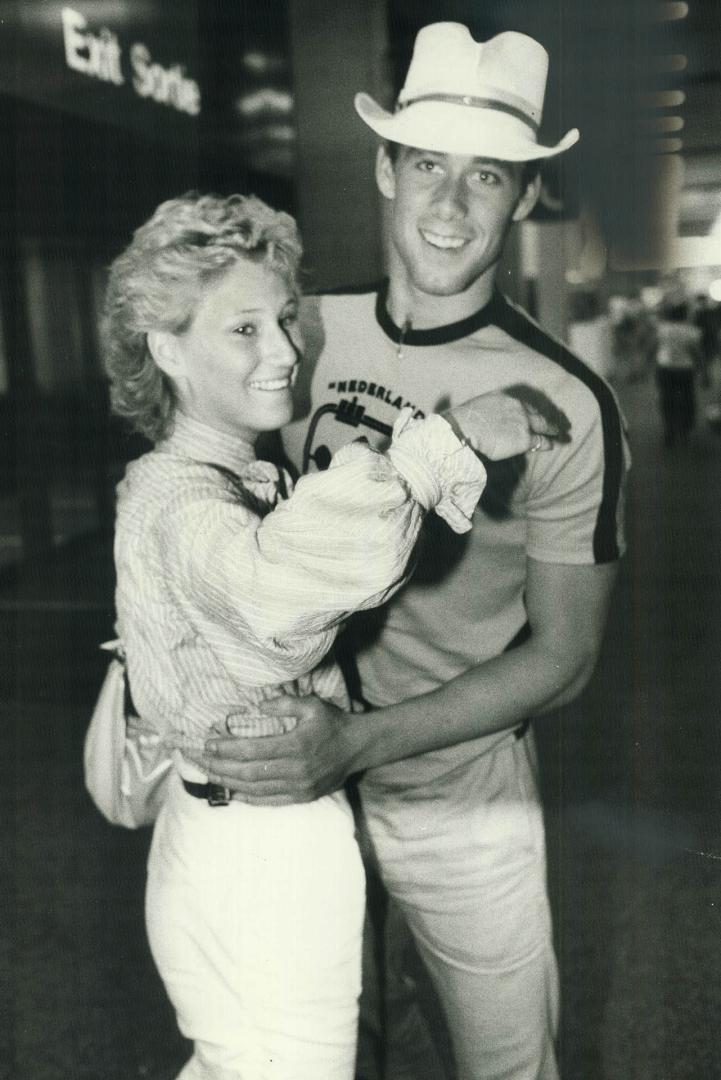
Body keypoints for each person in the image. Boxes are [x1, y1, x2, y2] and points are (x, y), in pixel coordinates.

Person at [200, 23, 631, 1080]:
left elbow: (563, 659)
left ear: (524, 197)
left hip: (458, 790)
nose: (447, 206)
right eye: (426, 165)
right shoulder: (293, 334)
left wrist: (361, 742)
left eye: (485, 177)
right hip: (294, 787)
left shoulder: (567, 405)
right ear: (385, 168)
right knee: (309, 1050)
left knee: (506, 1064)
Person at [102, 191, 558, 1080]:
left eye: (283, 319)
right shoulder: (185, 500)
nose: (283, 350)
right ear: (165, 347)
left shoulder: (208, 475)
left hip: (227, 836)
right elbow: (274, 591)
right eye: (243, 330)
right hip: (261, 855)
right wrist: (449, 442)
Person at [654, 299, 702, 447]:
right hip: (685, 369)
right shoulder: (692, 331)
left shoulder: (661, 329)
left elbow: (653, 347)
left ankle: (669, 429)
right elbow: (697, 353)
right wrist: (704, 371)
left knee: (666, 399)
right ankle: (684, 430)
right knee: (687, 398)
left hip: (665, 368)